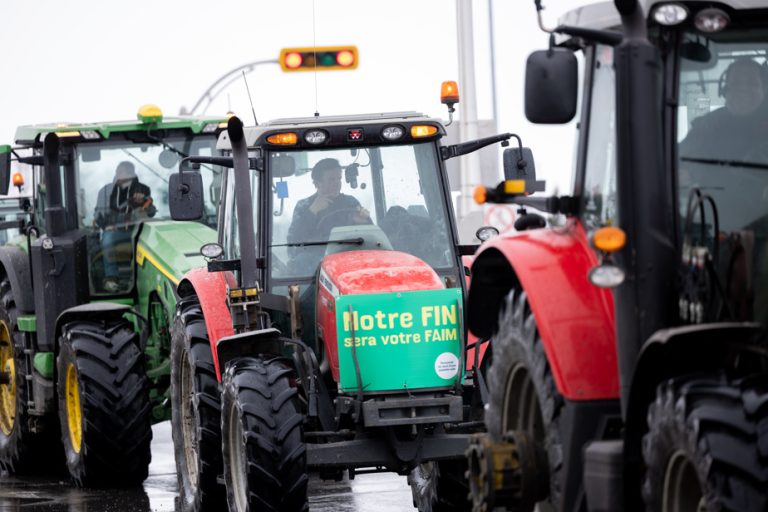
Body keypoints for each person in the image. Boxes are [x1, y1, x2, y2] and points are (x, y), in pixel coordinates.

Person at [680, 58, 768, 161]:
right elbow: (680, 159)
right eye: (736, 83)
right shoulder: (707, 125)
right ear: (724, 90)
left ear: (764, 90)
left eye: (752, 83)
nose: (743, 89)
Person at [95, 161, 156, 292]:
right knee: (107, 241)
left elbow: (150, 212)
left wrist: (142, 204)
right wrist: (106, 226)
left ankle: (140, 277)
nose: (121, 174)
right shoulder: (105, 191)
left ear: (132, 174)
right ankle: (111, 277)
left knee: (148, 244)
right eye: (119, 171)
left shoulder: (143, 189)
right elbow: (98, 213)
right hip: (114, 231)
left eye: (126, 172)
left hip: (137, 230)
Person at [287, 158, 370, 243]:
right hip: (316, 255)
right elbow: (294, 243)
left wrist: (364, 222)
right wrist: (312, 211)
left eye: (339, 178)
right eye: (331, 179)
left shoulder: (351, 203)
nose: (337, 183)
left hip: (349, 253)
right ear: (317, 183)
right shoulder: (304, 206)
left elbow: (371, 238)